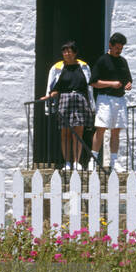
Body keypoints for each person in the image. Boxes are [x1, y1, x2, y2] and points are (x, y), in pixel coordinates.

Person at [41, 40, 92, 174]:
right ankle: (67, 162)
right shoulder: (57, 67)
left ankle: (76, 161)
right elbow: (54, 86)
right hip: (65, 100)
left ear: (75, 53)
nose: (66, 54)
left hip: (80, 99)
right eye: (64, 51)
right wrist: (48, 97)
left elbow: (89, 87)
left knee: (78, 132)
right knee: (65, 133)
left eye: (69, 51)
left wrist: (91, 104)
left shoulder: (84, 66)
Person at [89, 32, 133, 174]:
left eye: (121, 48)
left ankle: (113, 162)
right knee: (101, 129)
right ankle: (93, 160)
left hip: (119, 100)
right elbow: (94, 83)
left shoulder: (123, 61)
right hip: (105, 98)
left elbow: (128, 79)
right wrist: (111, 84)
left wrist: (128, 85)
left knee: (116, 131)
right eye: (117, 48)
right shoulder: (102, 60)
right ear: (110, 45)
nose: (119, 51)